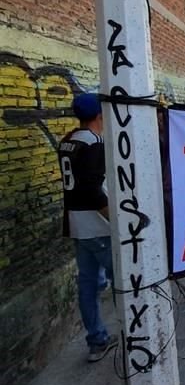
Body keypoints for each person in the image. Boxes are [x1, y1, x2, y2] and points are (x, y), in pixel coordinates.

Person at [58, 93, 118, 362]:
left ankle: (96, 341)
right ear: (99, 115)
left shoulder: (68, 140)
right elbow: (93, 190)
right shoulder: (94, 143)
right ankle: (133, 333)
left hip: (77, 225)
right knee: (122, 282)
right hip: (98, 225)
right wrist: (116, 221)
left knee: (88, 284)